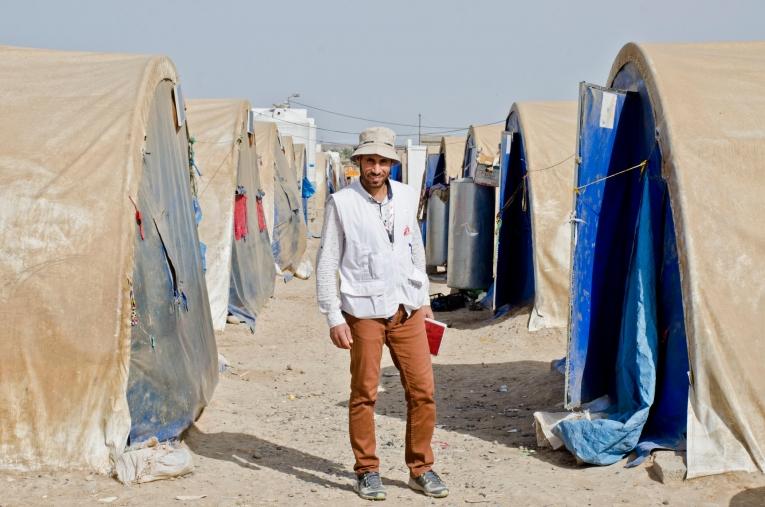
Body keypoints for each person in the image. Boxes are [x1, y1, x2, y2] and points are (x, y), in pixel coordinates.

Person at [316, 127, 449, 500]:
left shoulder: (405, 197)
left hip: (405, 308)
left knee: (423, 391)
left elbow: (414, 247)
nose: (376, 168)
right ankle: (367, 469)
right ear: (358, 162)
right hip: (363, 311)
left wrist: (423, 298)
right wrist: (334, 317)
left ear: (392, 163)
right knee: (364, 393)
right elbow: (327, 262)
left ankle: (420, 467)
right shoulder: (342, 203)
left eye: (383, 161)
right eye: (369, 160)